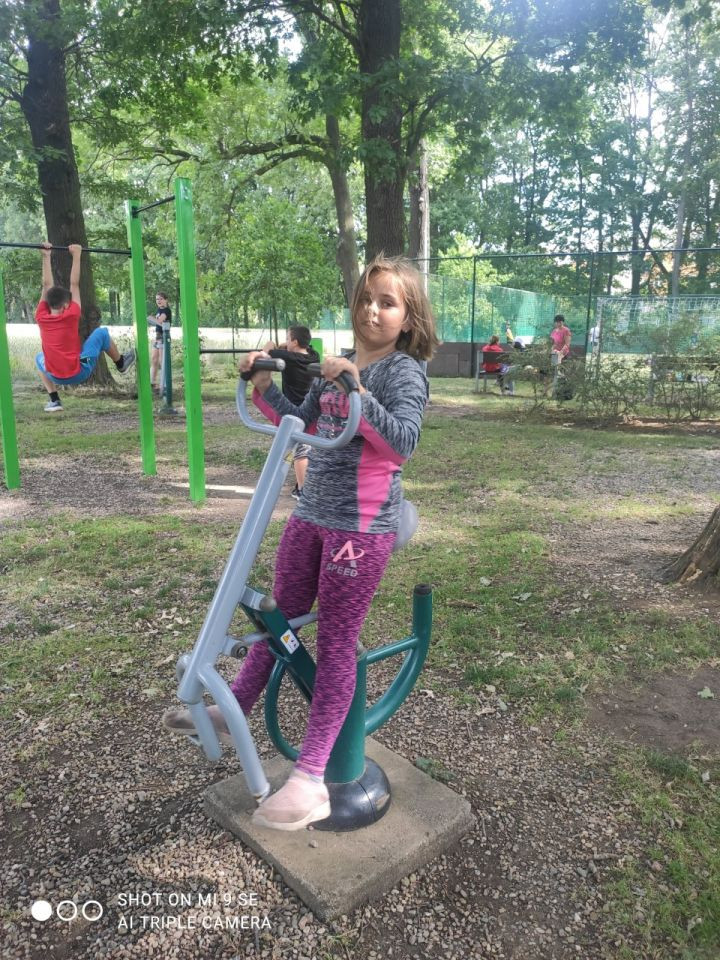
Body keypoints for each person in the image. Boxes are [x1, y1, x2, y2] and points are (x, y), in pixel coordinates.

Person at [163, 254, 438, 831]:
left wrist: (357, 389)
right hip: (311, 513)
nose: (372, 310)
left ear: (409, 318)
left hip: (359, 529)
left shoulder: (404, 372)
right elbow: (300, 422)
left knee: (336, 642)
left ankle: (311, 778)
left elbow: (402, 444)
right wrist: (262, 386)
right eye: (366, 299)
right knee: (277, 619)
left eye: (387, 303)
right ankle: (234, 708)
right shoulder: (338, 366)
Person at [35, 243, 135, 412]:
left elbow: (47, 286)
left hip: (54, 376)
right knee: (102, 333)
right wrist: (77, 255)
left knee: (39, 358)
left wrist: (46, 256)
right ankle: (121, 363)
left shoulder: (41, 317)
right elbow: (74, 284)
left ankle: (54, 400)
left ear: (48, 304)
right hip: (79, 372)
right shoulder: (71, 315)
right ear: (66, 306)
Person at [263, 326, 320, 499]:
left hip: (294, 412)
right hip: (312, 409)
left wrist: (272, 344)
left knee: (300, 452)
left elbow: (266, 352)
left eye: (288, 338)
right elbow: (298, 349)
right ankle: (302, 485)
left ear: (295, 342)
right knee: (306, 448)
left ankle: (303, 491)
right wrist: (287, 345)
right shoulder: (314, 356)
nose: (286, 341)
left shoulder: (287, 358)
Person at [147, 292, 171, 395]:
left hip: (163, 337)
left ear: (166, 300)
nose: (159, 301)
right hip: (157, 337)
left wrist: (149, 318)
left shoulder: (166, 310)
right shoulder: (159, 310)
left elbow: (160, 321)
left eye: (161, 299)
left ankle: (164, 385)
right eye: (157, 299)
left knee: (162, 361)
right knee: (154, 359)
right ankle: (152, 383)